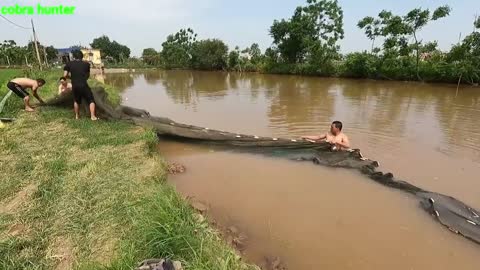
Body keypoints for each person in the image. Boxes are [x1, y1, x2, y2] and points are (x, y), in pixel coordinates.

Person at [63, 49, 98, 120]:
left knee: (76, 101)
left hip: (75, 85)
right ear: (82, 57)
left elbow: (65, 75)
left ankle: (77, 116)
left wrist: (72, 77)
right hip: (83, 84)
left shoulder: (69, 64)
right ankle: (93, 116)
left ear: (74, 57)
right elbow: (87, 76)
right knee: (91, 100)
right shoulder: (86, 64)